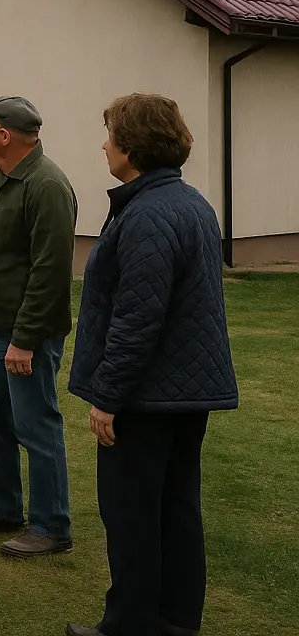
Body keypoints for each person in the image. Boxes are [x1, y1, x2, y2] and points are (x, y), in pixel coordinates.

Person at [64, 94, 237, 636]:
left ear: (132, 145)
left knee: (134, 514)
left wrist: (107, 397)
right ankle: (175, 622)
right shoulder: (191, 203)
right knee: (176, 509)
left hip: (147, 396)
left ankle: (130, 624)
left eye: (110, 133)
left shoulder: (148, 214)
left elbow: (138, 319)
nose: (104, 144)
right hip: (185, 393)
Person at [0, 95, 77, 557]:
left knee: (36, 425)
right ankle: (4, 506)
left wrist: (24, 341)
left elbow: (50, 271)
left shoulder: (46, 186)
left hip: (29, 334)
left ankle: (51, 526)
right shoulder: (1, 180)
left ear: (4, 135)